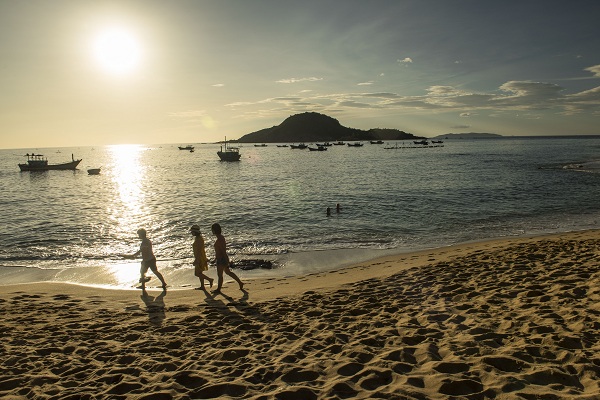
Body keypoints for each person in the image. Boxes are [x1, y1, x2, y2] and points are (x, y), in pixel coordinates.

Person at [211, 223, 244, 294]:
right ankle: (240, 283)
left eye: (212, 229)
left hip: (221, 259)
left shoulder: (220, 239)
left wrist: (226, 260)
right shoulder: (221, 237)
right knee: (228, 272)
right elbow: (219, 251)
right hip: (221, 258)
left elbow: (223, 250)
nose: (211, 231)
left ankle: (218, 289)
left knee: (220, 275)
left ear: (214, 230)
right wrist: (215, 259)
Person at [190, 224, 214, 290]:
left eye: (192, 231)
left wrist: (196, 259)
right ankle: (202, 286)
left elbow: (199, 250)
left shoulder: (199, 239)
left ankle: (210, 279)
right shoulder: (198, 238)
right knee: (200, 273)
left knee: (197, 273)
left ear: (195, 232)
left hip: (200, 257)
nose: (191, 233)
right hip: (200, 257)